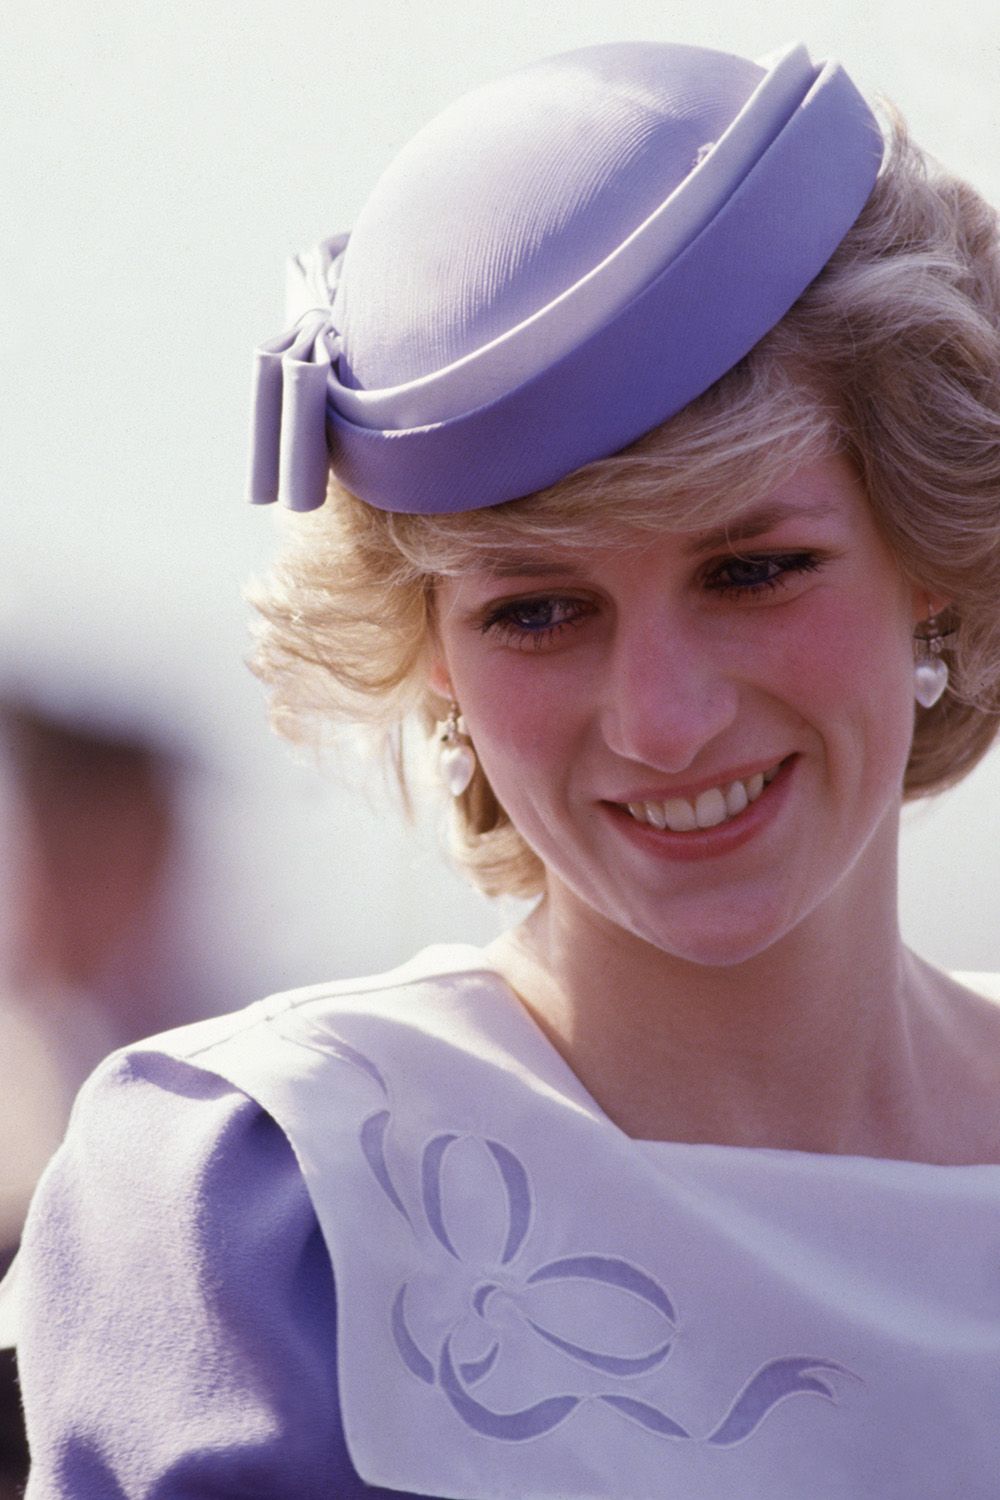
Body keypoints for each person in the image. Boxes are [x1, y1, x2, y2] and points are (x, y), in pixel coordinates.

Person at [9, 38, 1000, 1497]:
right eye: (538, 610)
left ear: (933, 562)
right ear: (433, 662)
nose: (662, 721)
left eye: (753, 569)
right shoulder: (271, 1199)